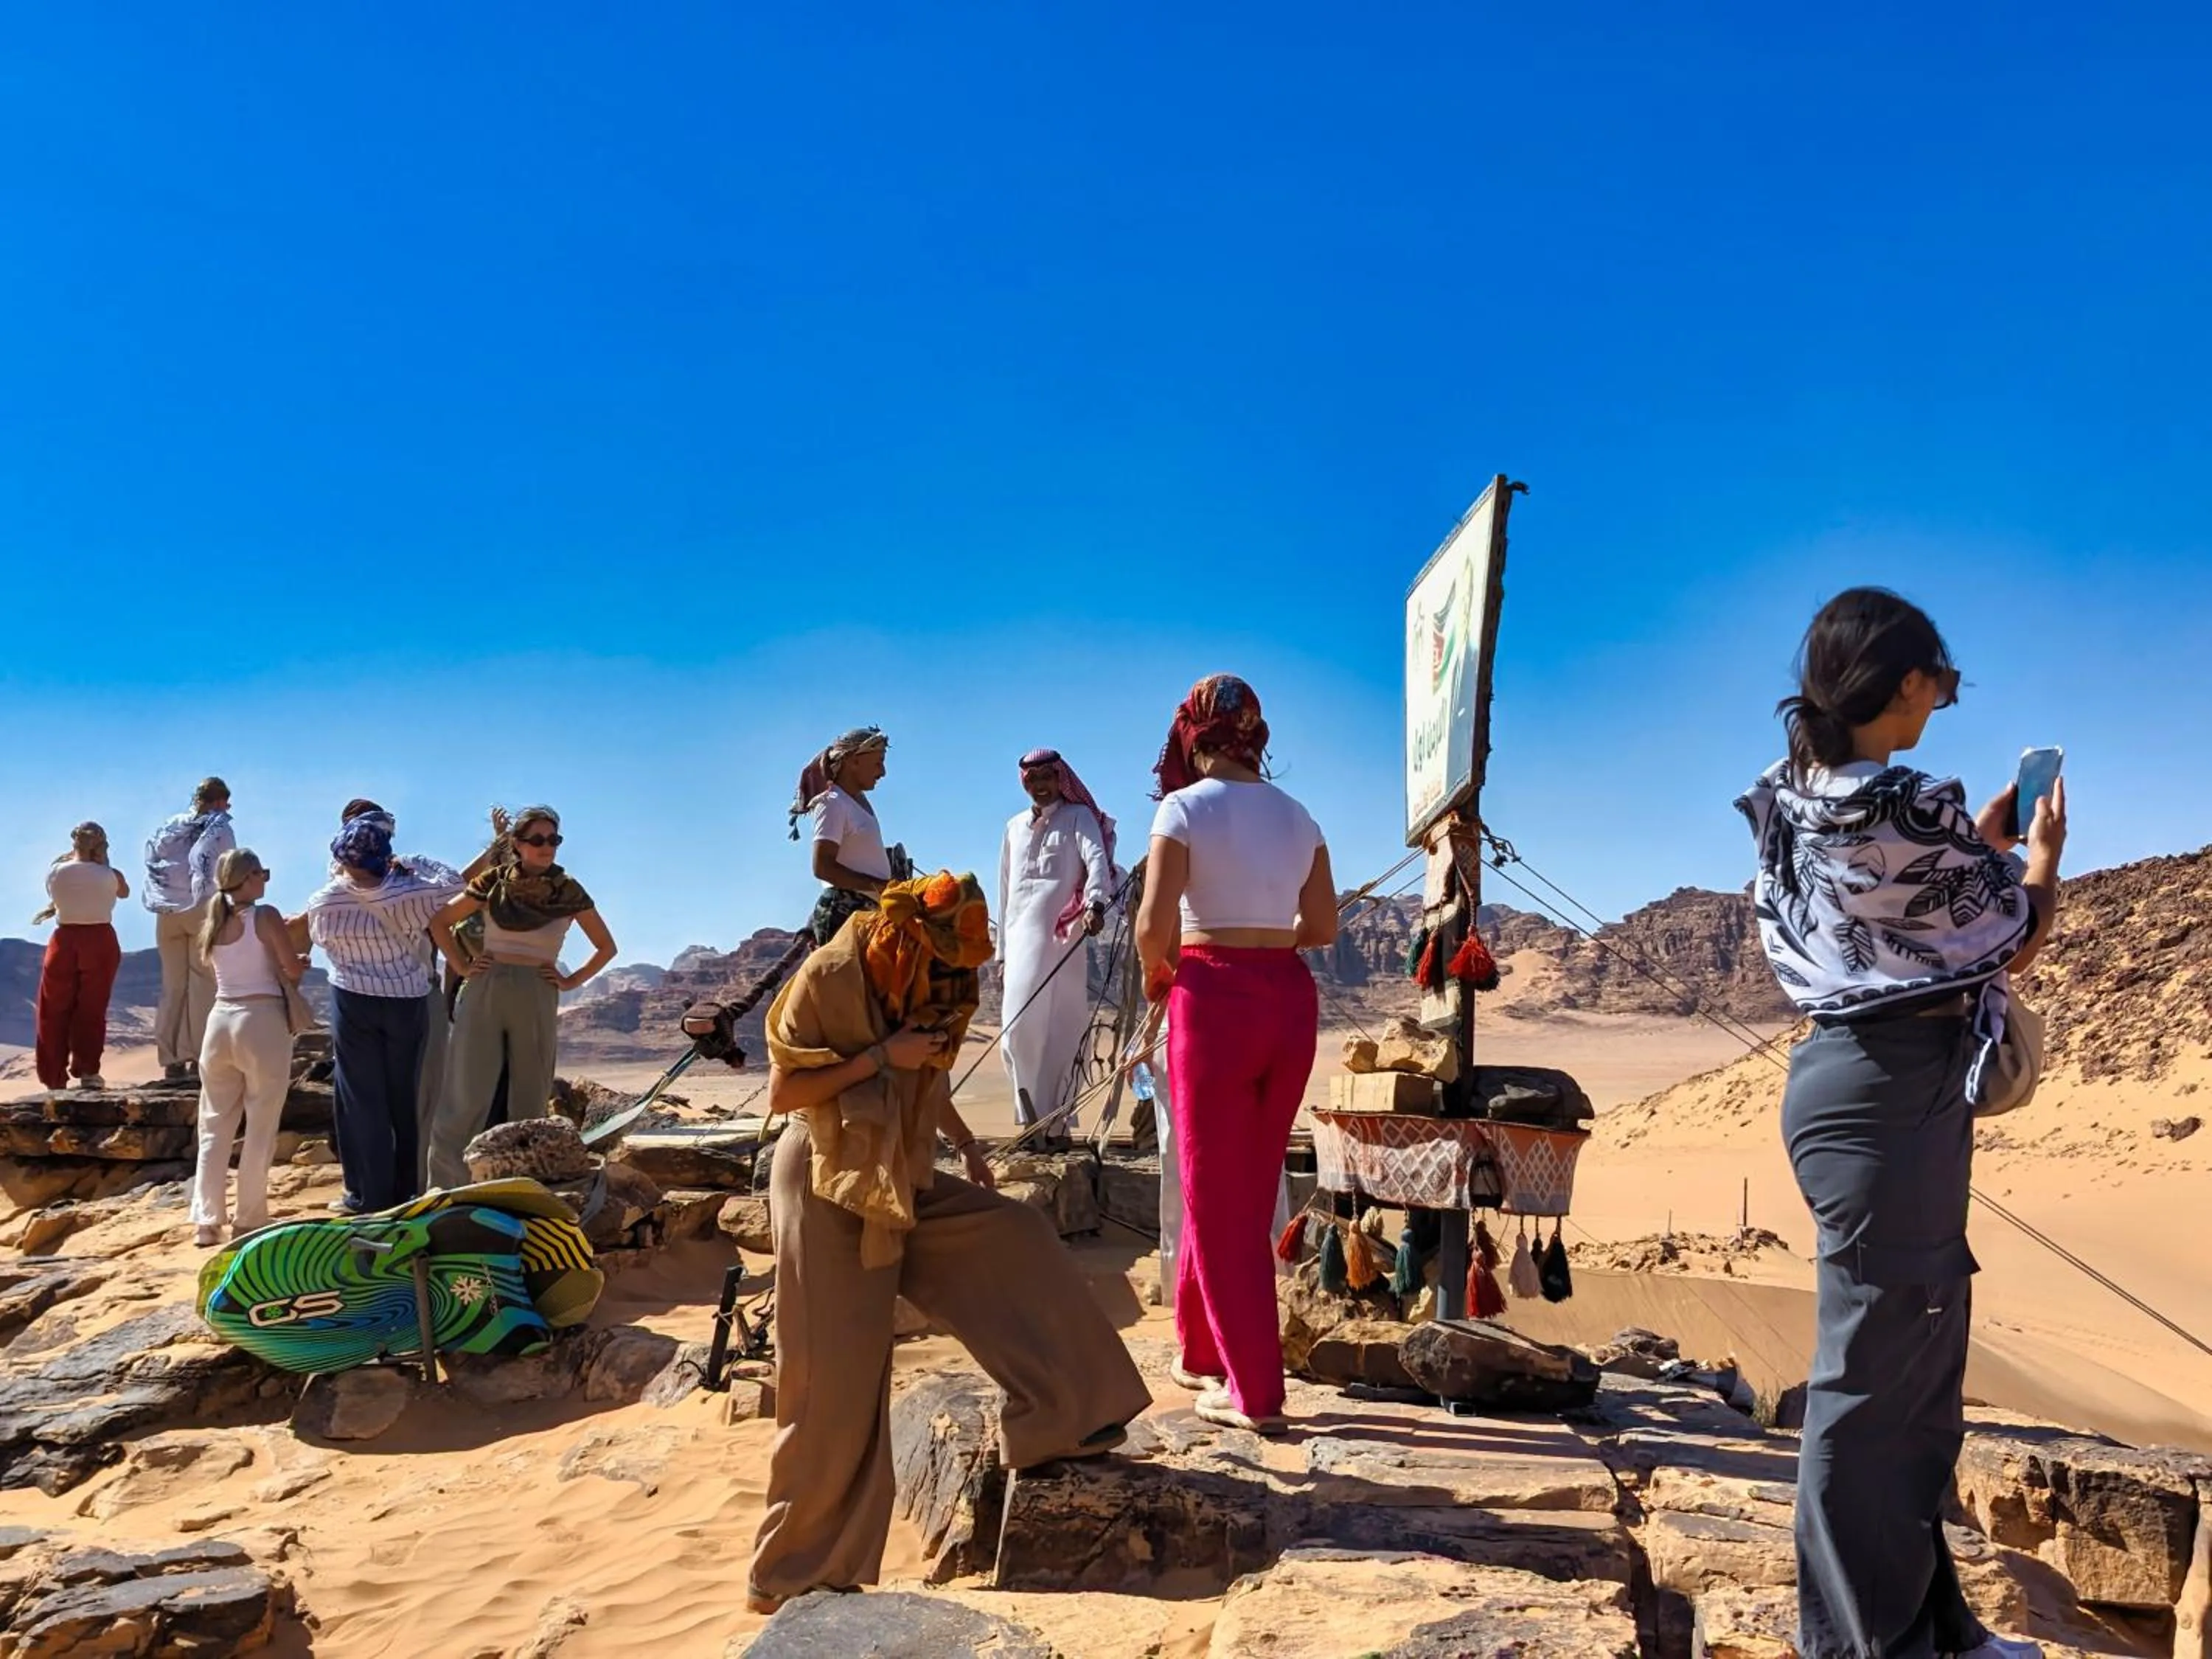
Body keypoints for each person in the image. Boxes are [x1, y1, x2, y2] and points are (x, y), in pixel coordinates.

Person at [1738, 588, 2066, 1659]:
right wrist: (2041, 856)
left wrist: (1966, 845)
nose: (1946, 700)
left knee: (1917, 1363)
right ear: (1907, 679)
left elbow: (1891, 895)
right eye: (1945, 681)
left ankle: (1935, 1627)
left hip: (1857, 1085)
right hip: (1890, 1091)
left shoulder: (1798, 792)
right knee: (1874, 1383)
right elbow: (2009, 930)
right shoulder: (1905, 801)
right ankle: (1857, 1645)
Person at [747, 871, 1149, 1613]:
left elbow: (924, 1076)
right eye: (942, 962)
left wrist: (964, 1145)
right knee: (836, 1382)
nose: (952, 980)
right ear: (907, 938)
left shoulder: (935, 977)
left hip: (898, 1161)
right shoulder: (836, 972)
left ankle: (1062, 1417)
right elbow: (785, 1093)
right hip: (828, 1173)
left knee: (1013, 1235)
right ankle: (792, 1575)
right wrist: (879, 1059)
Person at [1134, 674, 1335, 1435]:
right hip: (1287, 1000)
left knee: (1215, 1199)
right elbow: (1320, 927)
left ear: (1192, 733)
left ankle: (1255, 1391)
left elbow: (1155, 923)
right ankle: (1199, 1349)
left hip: (1210, 998)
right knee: (1243, 1188)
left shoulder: (1181, 810)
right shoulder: (1300, 815)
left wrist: (1161, 978)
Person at [425, 807, 616, 1188]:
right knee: (466, 1090)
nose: (547, 848)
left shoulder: (569, 890)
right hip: (486, 986)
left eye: (554, 840)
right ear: (517, 844)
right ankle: (445, 1188)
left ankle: (522, 1187)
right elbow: (440, 922)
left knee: (530, 1095)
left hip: (537, 990)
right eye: (537, 840)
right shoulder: (493, 883)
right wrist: (463, 966)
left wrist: (570, 980)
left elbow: (606, 947)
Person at [329, 799, 495, 1189]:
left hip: (414, 995)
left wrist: (493, 851)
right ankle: (374, 1190)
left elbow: (455, 893)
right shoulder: (337, 886)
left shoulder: (406, 871)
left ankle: (416, 1188)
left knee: (422, 1096)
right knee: (369, 1100)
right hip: (362, 996)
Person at [304, 816, 464, 1214]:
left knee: (363, 1099)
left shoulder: (325, 901)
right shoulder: (413, 894)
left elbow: (321, 940)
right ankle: (406, 1191)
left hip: (353, 1000)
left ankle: (367, 1195)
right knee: (401, 1097)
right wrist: (415, 861)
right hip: (406, 999)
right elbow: (456, 885)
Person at [995, 749, 1116, 1138]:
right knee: (1016, 1029)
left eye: (1047, 777)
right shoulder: (1013, 826)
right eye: (1032, 780)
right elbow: (1004, 889)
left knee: (1061, 1029)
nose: (1040, 786)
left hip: (1063, 936)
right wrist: (1001, 954)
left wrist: (1096, 902)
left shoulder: (1078, 817)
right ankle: (1031, 1120)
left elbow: (1096, 860)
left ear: (1059, 778)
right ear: (1023, 783)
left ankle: (1056, 1124)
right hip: (1018, 941)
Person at [190, 849, 305, 1248]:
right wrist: (299, 964)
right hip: (261, 1020)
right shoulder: (265, 915)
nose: (266, 881)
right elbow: (290, 969)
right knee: (260, 1123)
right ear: (249, 877)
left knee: (215, 1124)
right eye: (263, 873)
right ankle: (249, 1217)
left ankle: (206, 1222)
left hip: (219, 1021)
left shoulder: (214, 918)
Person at [143, 778, 236, 1082]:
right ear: (220, 801)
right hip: (201, 908)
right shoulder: (219, 828)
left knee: (173, 986)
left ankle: (171, 1059)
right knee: (202, 984)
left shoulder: (172, 825)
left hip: (168, 911)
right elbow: (228, 870)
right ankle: (198, 1057)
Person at [31, 823, 129, 1094]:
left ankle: (53, 1077)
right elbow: (125, 892)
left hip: (64, 940)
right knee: (92, 1008)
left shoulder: (55, 872)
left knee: (54, 1009)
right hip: (100, 940)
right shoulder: (110, 874)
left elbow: (56, 895)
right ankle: (88, 1070)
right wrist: (104, 862)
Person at [790, 726, 906, 945]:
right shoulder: (832, 802)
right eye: (878, 763)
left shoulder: (857, 801)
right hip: (844, 915)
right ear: (854, 761)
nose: (883, 772)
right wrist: (882, 887)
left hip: (868, 913)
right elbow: (823, 867)